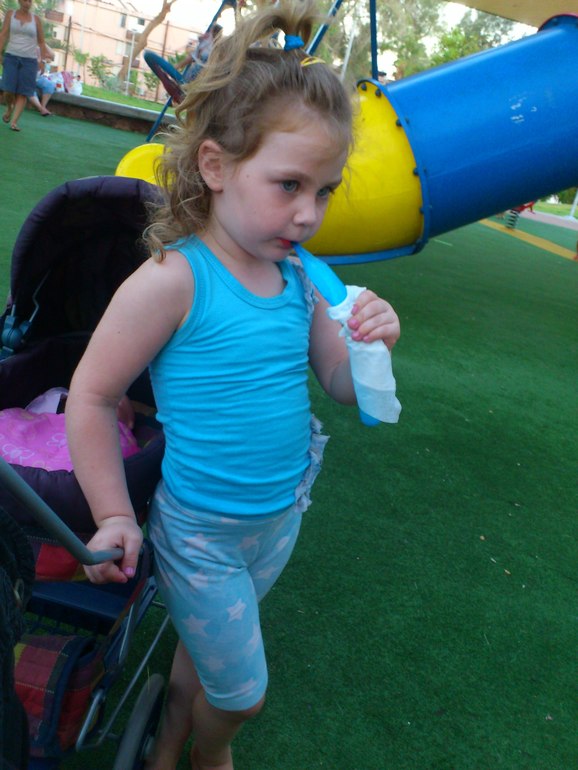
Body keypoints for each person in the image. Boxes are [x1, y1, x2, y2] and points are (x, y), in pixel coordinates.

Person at [65, 2, 400, 769]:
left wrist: (372, 342)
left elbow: (339, 385)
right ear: (215, 167)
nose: (308, 214)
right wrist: (113, 513)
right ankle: (211, 753)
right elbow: (91, 394)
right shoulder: (175, 281)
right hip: (202, 534)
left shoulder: (302, 279)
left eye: (325, 191)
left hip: (280, 516)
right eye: (289, 185)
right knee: (242, 695)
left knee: (208, 650)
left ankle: (170, 740)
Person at [0, 0, 51, 131]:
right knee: (8, 90)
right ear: (19, 1)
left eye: (30, 0)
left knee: (23, 92)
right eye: (25, 0)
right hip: (11, 57)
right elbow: (3, 34)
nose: (27, 3)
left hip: (29, 61)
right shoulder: (10, 14)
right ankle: (10, 107)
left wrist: (43, 61)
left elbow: (41, 42)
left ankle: (14, 122)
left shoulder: (36, 20)